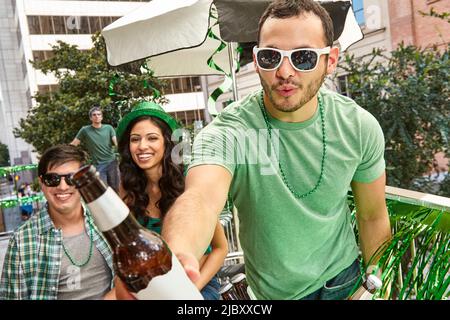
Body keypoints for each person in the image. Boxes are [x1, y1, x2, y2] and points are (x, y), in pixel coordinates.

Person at [116, 0, 393, 301]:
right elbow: (200, 200)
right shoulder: (229, 131)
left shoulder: (358, 126)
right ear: (257, 59)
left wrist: (378, 286)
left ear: (331, 60)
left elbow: (372, 216)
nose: (285, 72)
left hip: (344, 283)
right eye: (271, 57)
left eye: (303, 57)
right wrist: (180, 255)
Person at [115, 101, 228, 300]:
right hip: (151, 291)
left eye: (152, 138)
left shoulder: (189, 182)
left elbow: (220, 248)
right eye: (135, 139)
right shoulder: (127, 188)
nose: (142, 146)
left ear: (166, 142)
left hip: (198, 284)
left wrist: (192, 290)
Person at [0, 145, 115, 300]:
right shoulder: (22, 240)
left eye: (71, 178)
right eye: (52, 179)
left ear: (83, 181)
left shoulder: (108, 221)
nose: (62, 187)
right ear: (41, 183)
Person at [71, 106, 120, 192]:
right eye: (94, 115)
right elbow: (74, 144)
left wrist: (121, 149)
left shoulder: (109, 128)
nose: (97, 116)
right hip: (98, 165)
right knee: (103, 190)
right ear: (91, 118)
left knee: (116, 188)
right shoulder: (85, 130)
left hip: (112, 162)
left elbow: (116, 142)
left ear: (102, 117)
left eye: (99, 114)